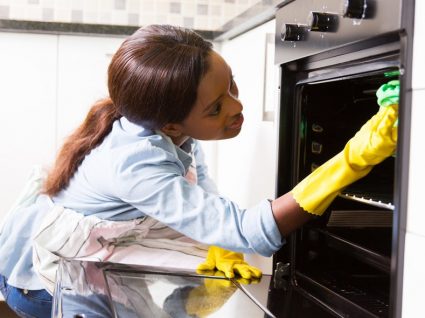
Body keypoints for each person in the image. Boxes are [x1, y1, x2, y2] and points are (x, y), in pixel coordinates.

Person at [0, 24, 399, 317]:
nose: (236, 107)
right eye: (215, 108)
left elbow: (202, 191)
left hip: (97, 253)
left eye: (232, 86)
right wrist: (357, 157)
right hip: (41, 285)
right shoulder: (135, 161)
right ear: (171, 124)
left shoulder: (165, 127)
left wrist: (218, 238)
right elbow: (250, 233)